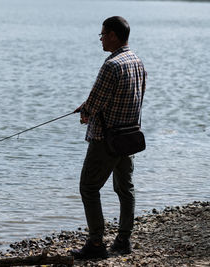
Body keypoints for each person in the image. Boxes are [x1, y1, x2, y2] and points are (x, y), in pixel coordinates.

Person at [72, 16, 147, 259]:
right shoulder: (136, 60)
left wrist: (85, 112)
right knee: (125, 188)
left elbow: (95, 103)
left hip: (106, 139)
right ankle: (123, 240)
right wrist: (88, 106)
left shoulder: (111, 65)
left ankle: (96, 244)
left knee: (88, 188)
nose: (101, 38)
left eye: (103, 34)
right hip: (129, 136)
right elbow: (125, 97)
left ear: (114, 35)